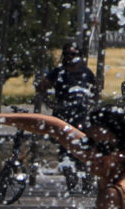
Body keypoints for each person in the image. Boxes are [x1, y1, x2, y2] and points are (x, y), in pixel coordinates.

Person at [37, 43, 99, 183]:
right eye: (67, 54)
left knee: (84, 145)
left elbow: (95, 90)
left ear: (79, 56)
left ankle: (85, 178)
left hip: (81, 116)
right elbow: (42, 86)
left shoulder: (86, 72)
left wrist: (90, 104)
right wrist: (50, 103)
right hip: (63, 116)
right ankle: (70, 176)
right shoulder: (58, 72)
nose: (69, 57)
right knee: (65, 147)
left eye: (73, 54)